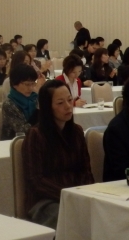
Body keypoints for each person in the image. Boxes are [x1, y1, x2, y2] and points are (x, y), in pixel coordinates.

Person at [22, 80, 94, 229]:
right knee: (72, 217)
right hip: (46, 201)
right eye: (60, 103)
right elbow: (36, 180)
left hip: (77, 195)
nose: (68, 106)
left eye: (69, 100)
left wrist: (84, 193)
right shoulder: (36, 135)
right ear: (47, 107)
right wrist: (68, 195)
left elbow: (85, 169)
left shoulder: (76, 131)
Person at [1, 65, 40, 140]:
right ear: (15, 84)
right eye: (27, 84)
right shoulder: (9, 104)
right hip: (14, 142)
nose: (31, 88)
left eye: (33, 83)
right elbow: (22, 131)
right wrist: (39, 110)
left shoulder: (35, 98)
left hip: (37, 140)